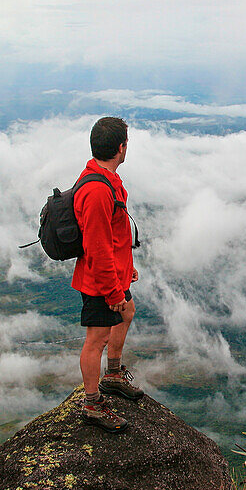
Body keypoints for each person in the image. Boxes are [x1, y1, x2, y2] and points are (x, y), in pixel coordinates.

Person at [72, 116, 144, 432]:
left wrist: (126, 271)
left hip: (114, 274)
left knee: (127, 312)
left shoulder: (108, 180)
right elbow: (97, 246)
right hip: (100, 280)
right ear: (121, 147)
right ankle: (92, 404)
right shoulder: (98, 191)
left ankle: (112, 376)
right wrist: (112, 291)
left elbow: (113, 238)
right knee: (96, 338)